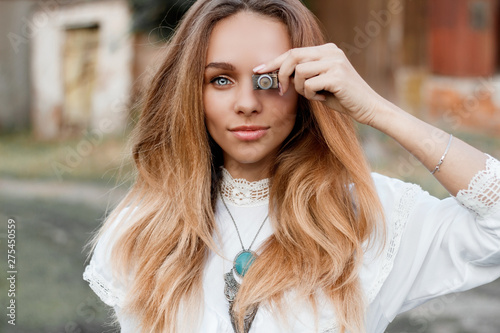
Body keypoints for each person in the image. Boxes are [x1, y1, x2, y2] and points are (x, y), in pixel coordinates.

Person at [83, 0, 500, 332]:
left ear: (306, 88)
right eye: (221, 80)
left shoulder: (369, 216)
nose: (247, 103)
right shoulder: (141, 231)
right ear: (191, 92)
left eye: (270, 79)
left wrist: (376, 109)